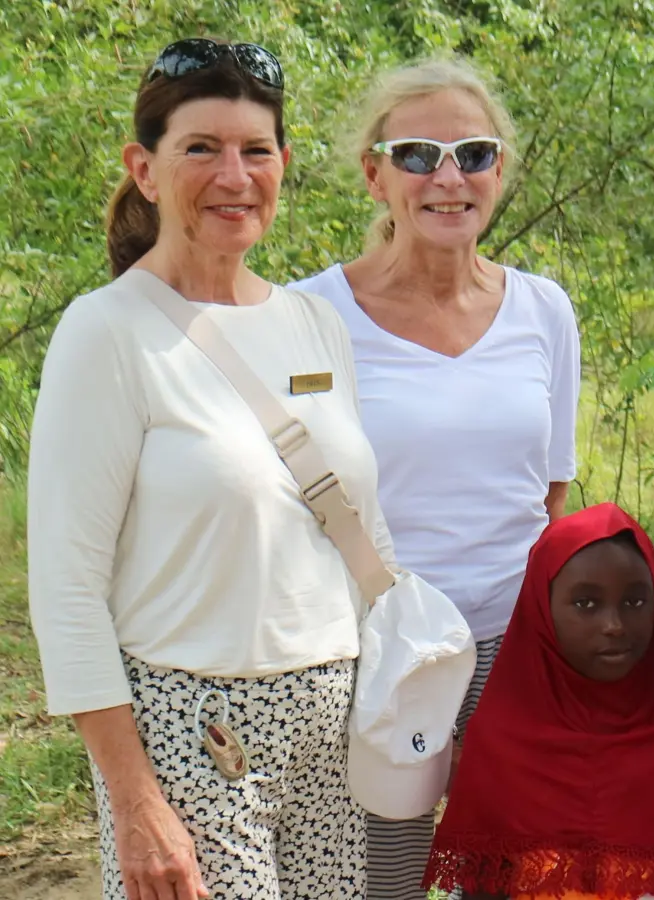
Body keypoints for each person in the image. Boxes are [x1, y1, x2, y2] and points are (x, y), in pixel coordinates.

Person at [28, 39, 389, 899]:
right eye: (201, 149)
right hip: (195, 735)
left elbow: (360, 530)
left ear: (283, 166)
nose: (234, 175)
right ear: (144, 169)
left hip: (335, 732)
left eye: (255, 151)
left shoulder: (314, 324)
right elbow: (67, 588)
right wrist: (134, 802)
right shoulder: (106, 333)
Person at [290, 58, 581, 899]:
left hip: (514, 648)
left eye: (474, 153)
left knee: (510, 879)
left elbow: (548, 490)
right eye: (418, 154)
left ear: (500, 172)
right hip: (373, 652)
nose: (447, 177)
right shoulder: (312, 316)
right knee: (384, 881)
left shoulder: (544, 310)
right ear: (374, 174)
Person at [425, 503, 654, 900]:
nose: (613, 625)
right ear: (541, 608)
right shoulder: (501, 740)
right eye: (586, 604)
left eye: (634, 601)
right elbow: (483, 883)